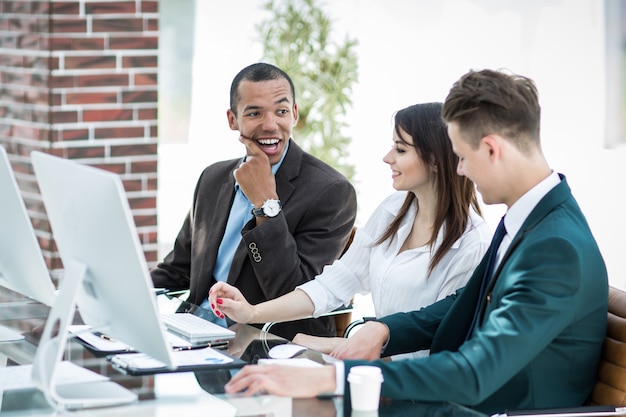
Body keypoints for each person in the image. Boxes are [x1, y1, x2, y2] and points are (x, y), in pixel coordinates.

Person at [220, 69, 609, 414]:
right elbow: (461, 305)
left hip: (486, 410)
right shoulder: (529, 221)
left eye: (461, 155)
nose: (460, 169)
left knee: (294, 402)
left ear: (491, 149)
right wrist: (384, 329)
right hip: (455, 400)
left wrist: (334, 379)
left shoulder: (555, 247)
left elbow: (476, 371)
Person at [209, 102, 491, 360]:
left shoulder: (470, 245)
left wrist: (337, 346)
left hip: (414, 388)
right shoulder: (393, 211)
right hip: (377, 371)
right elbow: (331, 286)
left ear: (436, 160)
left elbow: (440, 346)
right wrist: (252, 312)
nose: (387, 157)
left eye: (401, 149)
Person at [151, 62, 357, 340]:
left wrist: (266, 204)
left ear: (294, 114)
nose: (270, 125)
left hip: (267, 343)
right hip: (192, 334)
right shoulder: (212, 178)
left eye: (281, 111)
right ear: (232, 119)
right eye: (254, 113)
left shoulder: (331, 191)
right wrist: (124, 292)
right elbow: (178, 270)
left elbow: (293, 292)